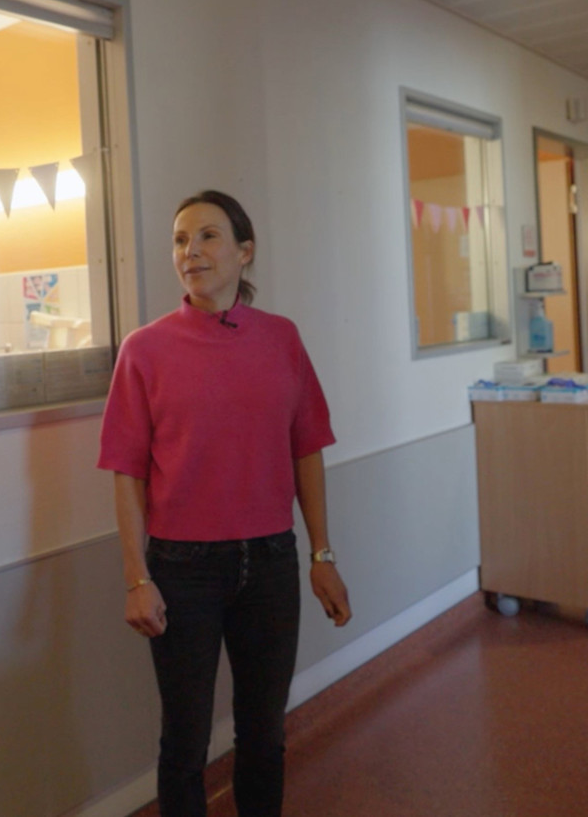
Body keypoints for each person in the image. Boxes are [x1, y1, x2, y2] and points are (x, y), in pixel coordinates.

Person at [97, 190, 351, 817]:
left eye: (208, 236)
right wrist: (138, 577)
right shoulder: (145, 350)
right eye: (181, 240)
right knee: (184, 743)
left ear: (245, 251)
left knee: (264, 735)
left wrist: (321, 553)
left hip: (270, 563)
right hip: (182, 571)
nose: (191, 252)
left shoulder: (281, 339)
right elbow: (125, 473)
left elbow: (307, 450)